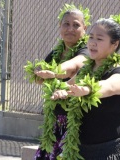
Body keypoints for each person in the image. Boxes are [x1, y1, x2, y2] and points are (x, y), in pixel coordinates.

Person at [51, 15, 120, 160]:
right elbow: (66, 87)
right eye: (91, 37)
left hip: (109, 153)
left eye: (99, 39)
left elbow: (109, 86)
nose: (92, 43)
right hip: (79, 152)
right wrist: (57, 88)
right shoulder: (85, 71)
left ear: (115, 44)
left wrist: (88, 89)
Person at [33, 4, 91, 160]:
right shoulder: (55, 53)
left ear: (84, 28)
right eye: (66, 24)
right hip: (56, 123)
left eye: (76, 25)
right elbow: (40, 79)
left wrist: (54, 72)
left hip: (77, 123)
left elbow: (74, 66)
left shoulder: (87, 50)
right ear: (60, 27)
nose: (70, 28)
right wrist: (39, 73)